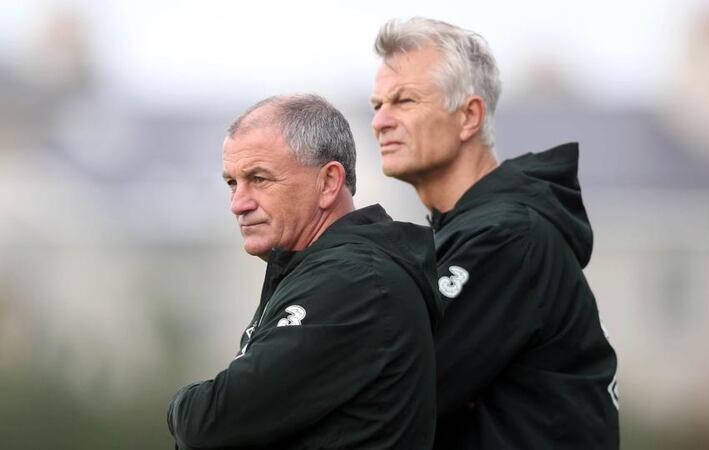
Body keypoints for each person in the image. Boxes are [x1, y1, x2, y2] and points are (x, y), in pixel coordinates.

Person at [370, 18, 620, 449]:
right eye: (377, 105)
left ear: (469, 116)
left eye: (404, 100)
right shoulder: (482, 229)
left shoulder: (507, 237)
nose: (380, 121)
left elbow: (389, 395)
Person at [167, 94, 439, 450]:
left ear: (328, 183)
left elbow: (210, 423)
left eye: (259, 179)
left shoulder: (353, 280)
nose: (238, 204)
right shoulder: (321, 270)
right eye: (232, 183)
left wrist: (180, 407)